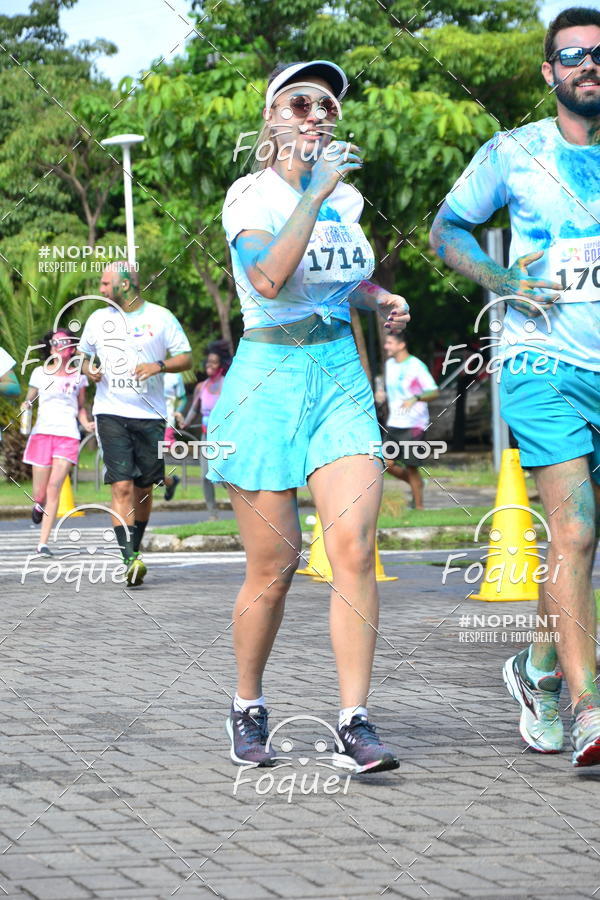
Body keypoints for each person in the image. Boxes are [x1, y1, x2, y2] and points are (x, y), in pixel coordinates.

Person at [208, 59, 410, 772]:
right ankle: (246, 704)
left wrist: (376, 296)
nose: (316, 114)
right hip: (267, 383)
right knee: (276, 563)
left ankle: (355, 720)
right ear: (272, 118)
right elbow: (268, 275)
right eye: (300, 103)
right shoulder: (250, 195)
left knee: (353, 547)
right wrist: (314, 192)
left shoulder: (344, 201)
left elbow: (336, 274)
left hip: (338, 379)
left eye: (325, 105)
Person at [430, 7, 600, 767]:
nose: (590, 66)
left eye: (599, 55)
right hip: (541, 366)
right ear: (550, 72)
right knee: (576, 532)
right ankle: (591, 708)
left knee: (580, 545)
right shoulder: (514, 152)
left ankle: (536, 673)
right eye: (574, 56)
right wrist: (502, 280)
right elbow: (446, 232)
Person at [79, 262, 192, 585]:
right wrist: (89, 369)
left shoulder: (160, 317)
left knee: (144, 488)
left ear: (125, 284)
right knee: (122, 485)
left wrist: (158, 366)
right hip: (110, 412)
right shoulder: (98, 319)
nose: (100, 290)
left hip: (150, 416)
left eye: (105, 284)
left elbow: (186, 357)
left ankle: (135, 549)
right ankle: (129, 558)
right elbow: (82, 355)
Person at [21, 329, 94, 555]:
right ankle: (38, 504)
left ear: (71, 348)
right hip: (42, 433)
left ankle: (43, 543)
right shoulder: (39, 373)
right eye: (54, 342)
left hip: (68, 435)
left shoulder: (78, 377)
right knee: (40, 492)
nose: (57, 345)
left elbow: (80, 407)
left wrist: (86, 422)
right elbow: (29, 398)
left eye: (62, 342)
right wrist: (26, 405)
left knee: (55, 487)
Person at [377, 333, 439, 509]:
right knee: (385, 463)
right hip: (394, 422)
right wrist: (382, 395)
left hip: (414, 425)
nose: (386, 346)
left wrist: (416, 398)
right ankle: (418, 484)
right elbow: (394, 390)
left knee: (412, 467)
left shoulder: (416, 366)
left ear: (401, 345)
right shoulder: (389, 365)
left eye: (389, 343)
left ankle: (419, 508)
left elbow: (434, 392)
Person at [176, 341, 231, 518]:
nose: (209, 365)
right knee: (205, 475)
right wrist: (185, 423)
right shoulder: (202, 387)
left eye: (213, 362)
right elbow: (194, 408)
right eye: (208, 362)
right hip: (205, 436)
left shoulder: (227, 385)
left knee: (225, 474)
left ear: (221, 365)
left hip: (223, 435)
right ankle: (212, 513)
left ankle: (242, 509)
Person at [163, 371, 187, 501]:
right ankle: (170, 482)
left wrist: (178, 411)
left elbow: (183, 398)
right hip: (144, 419)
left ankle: (170, 482)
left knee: (149, 464)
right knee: (146, 465)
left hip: (166, 423)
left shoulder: (175, 376)